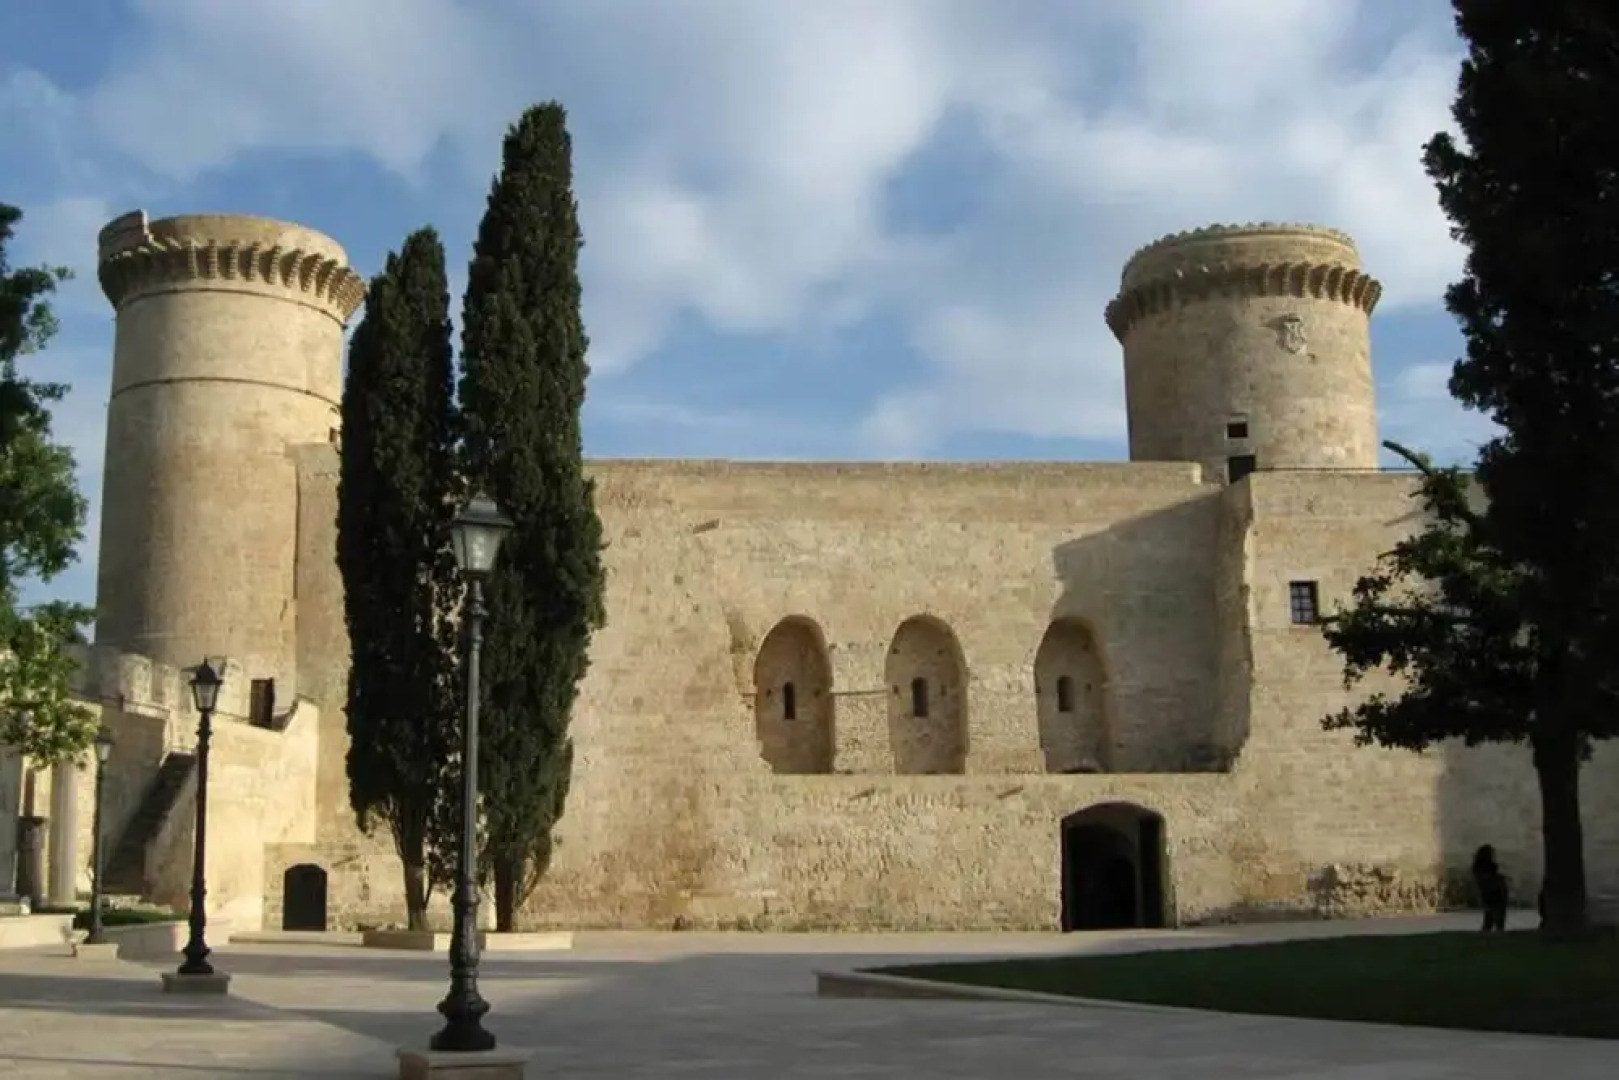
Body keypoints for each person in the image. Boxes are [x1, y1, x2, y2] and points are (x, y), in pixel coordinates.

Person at [1472, 844, 1509, 932]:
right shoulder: (1483, 868)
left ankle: (1490, 935)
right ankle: (1496, 934)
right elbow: (1487, 880)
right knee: (1495, 918)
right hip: (1494, 894)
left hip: (1493, 894)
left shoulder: (1480, 868)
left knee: (1490, 918)